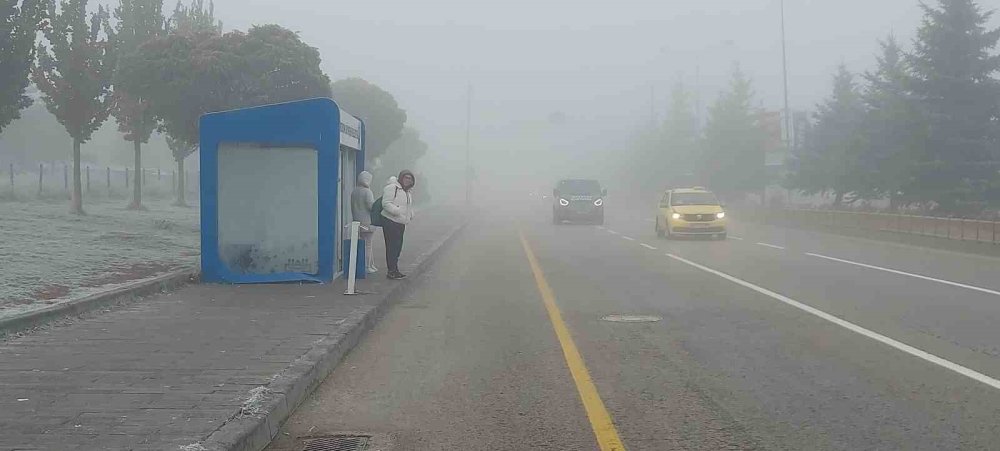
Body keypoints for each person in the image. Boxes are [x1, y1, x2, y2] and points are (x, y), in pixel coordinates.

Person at [381, 170, 415, 280]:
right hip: (390, 221)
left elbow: (408, 206)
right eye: (406, 178)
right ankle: (391, 271)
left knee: (398, 247)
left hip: (401, 222)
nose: (407, 180)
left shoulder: (408, 192)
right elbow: (386, 203)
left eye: (410, 178)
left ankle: (395, 270)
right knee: (392, 247)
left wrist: (410, 214)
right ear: (401, 178)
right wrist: (397, 211)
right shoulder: (392, 188)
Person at [351, 171, 378, 274]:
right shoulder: (367, 192)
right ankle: (367, 266)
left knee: (362, 244)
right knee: (368, 245)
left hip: (357, 221)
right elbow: (371, 206)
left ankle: (370, 264)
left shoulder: (354, 191)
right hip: (368, 222)